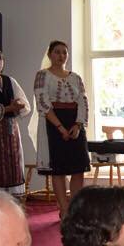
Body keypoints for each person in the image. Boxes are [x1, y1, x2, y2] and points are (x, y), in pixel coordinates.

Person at [33, 40, 90, 218]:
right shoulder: (43, 75)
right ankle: (64, 209)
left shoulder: (76, 77)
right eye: (57, 52)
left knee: (78, 168)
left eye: (64, 52)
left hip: (75, 123)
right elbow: (42, 103)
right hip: (53, 122)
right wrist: (59, 127)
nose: (61, 56)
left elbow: (83, 101)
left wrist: (78, 125)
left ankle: (74, 207)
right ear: (50, 55)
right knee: (58, 169)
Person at [0, 48, 30, 196]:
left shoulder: (9, 81)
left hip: (10, 129)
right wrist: (9, 108)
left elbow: (25, 104)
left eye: (0, 59)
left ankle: (13, 199)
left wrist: (18, 105)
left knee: (13, 161)